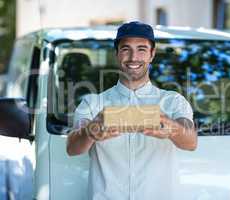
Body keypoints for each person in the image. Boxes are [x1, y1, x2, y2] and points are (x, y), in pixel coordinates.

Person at [66, 21, 197, 200]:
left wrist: (171, 128)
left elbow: (191, 142)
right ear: (117, 54)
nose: (133, 57)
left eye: (142, 49)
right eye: (126, 49)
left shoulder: (173, 101)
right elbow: (72, 147)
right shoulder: (92, 103)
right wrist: (91, 132)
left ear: (152, 54)